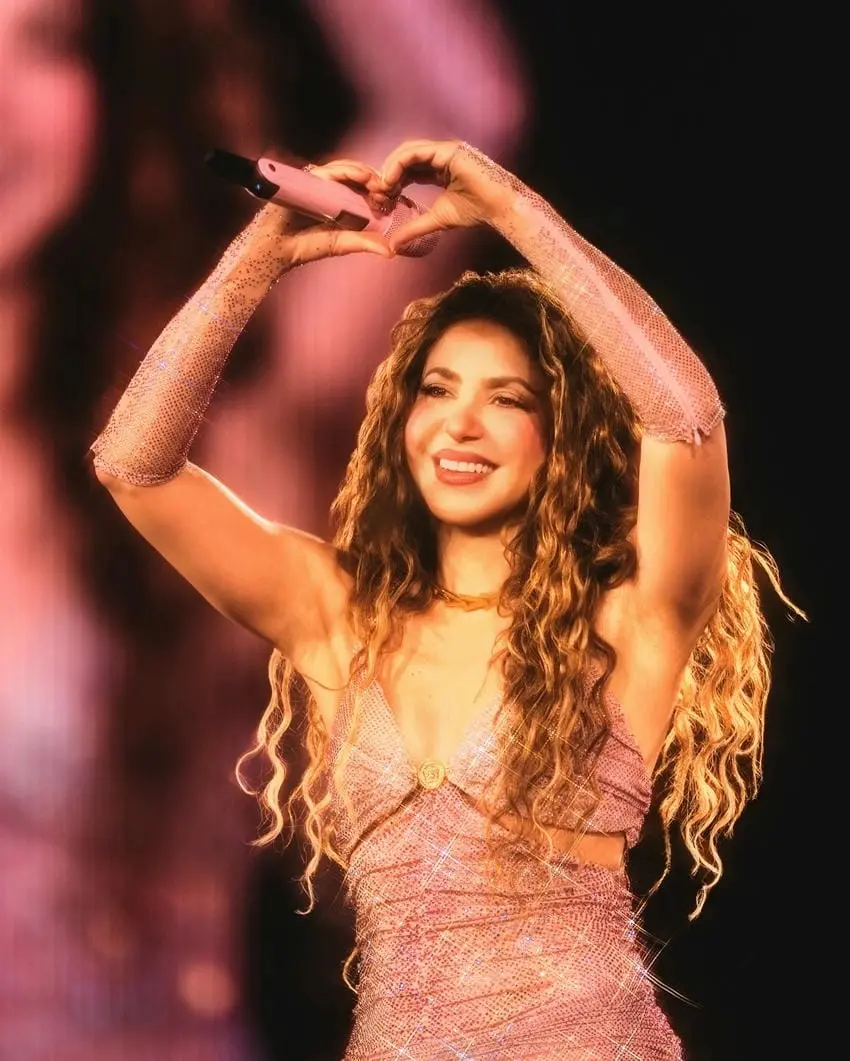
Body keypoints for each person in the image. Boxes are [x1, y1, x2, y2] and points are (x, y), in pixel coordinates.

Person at [91, 139, 796, 1059]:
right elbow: (133, 466)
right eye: (437, 388)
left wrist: (513, 211)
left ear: (562, 435)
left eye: (508, 399)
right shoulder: (338, 613)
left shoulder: (631, 620)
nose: (460, 423)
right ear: (403, 416)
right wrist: (259, 255)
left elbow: (686, 418)